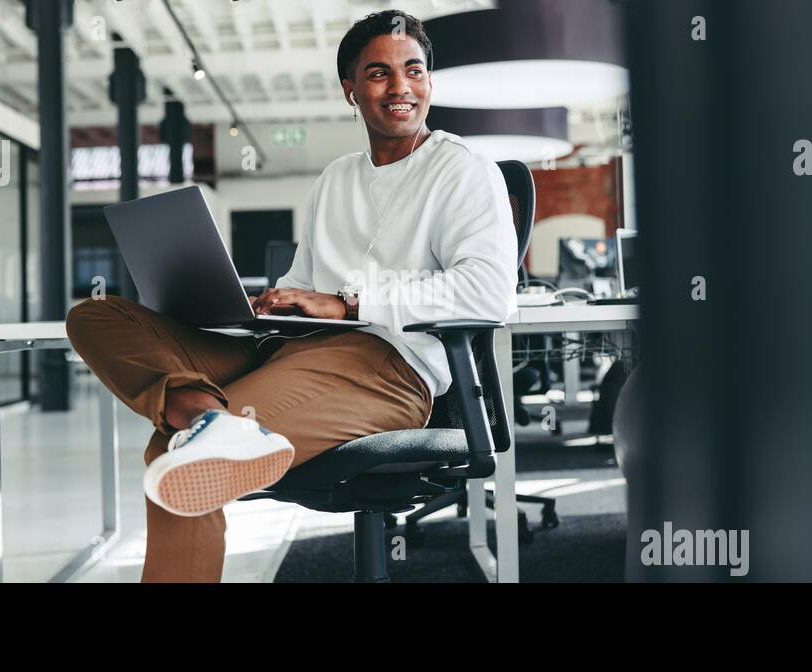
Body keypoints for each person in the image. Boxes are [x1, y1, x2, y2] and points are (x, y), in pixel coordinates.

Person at [65, 9, 518, 582]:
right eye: (379, 73)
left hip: (386, 371)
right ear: (350, 90)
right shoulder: (335, 179)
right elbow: (308, 287)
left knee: (174, 455)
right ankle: (208, 416)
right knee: (97, 316)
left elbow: (491, 292)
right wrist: (272, 304)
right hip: (291, 351)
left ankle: (206, 426)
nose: (401, 87)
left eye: (415, 70)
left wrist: (350, 304)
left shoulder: (463, 170)